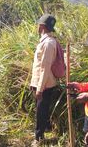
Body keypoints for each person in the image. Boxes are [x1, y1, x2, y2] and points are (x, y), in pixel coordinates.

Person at [30, 14, 58, 143]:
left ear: (41, 26)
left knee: (41, 112)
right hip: (41, 83)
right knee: (42, 110)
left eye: (38, 25)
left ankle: (38, 138)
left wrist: (39, 89)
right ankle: (45, 130)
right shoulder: (45, 42)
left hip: (45, 85)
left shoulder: (48, 43)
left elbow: (45, 68)